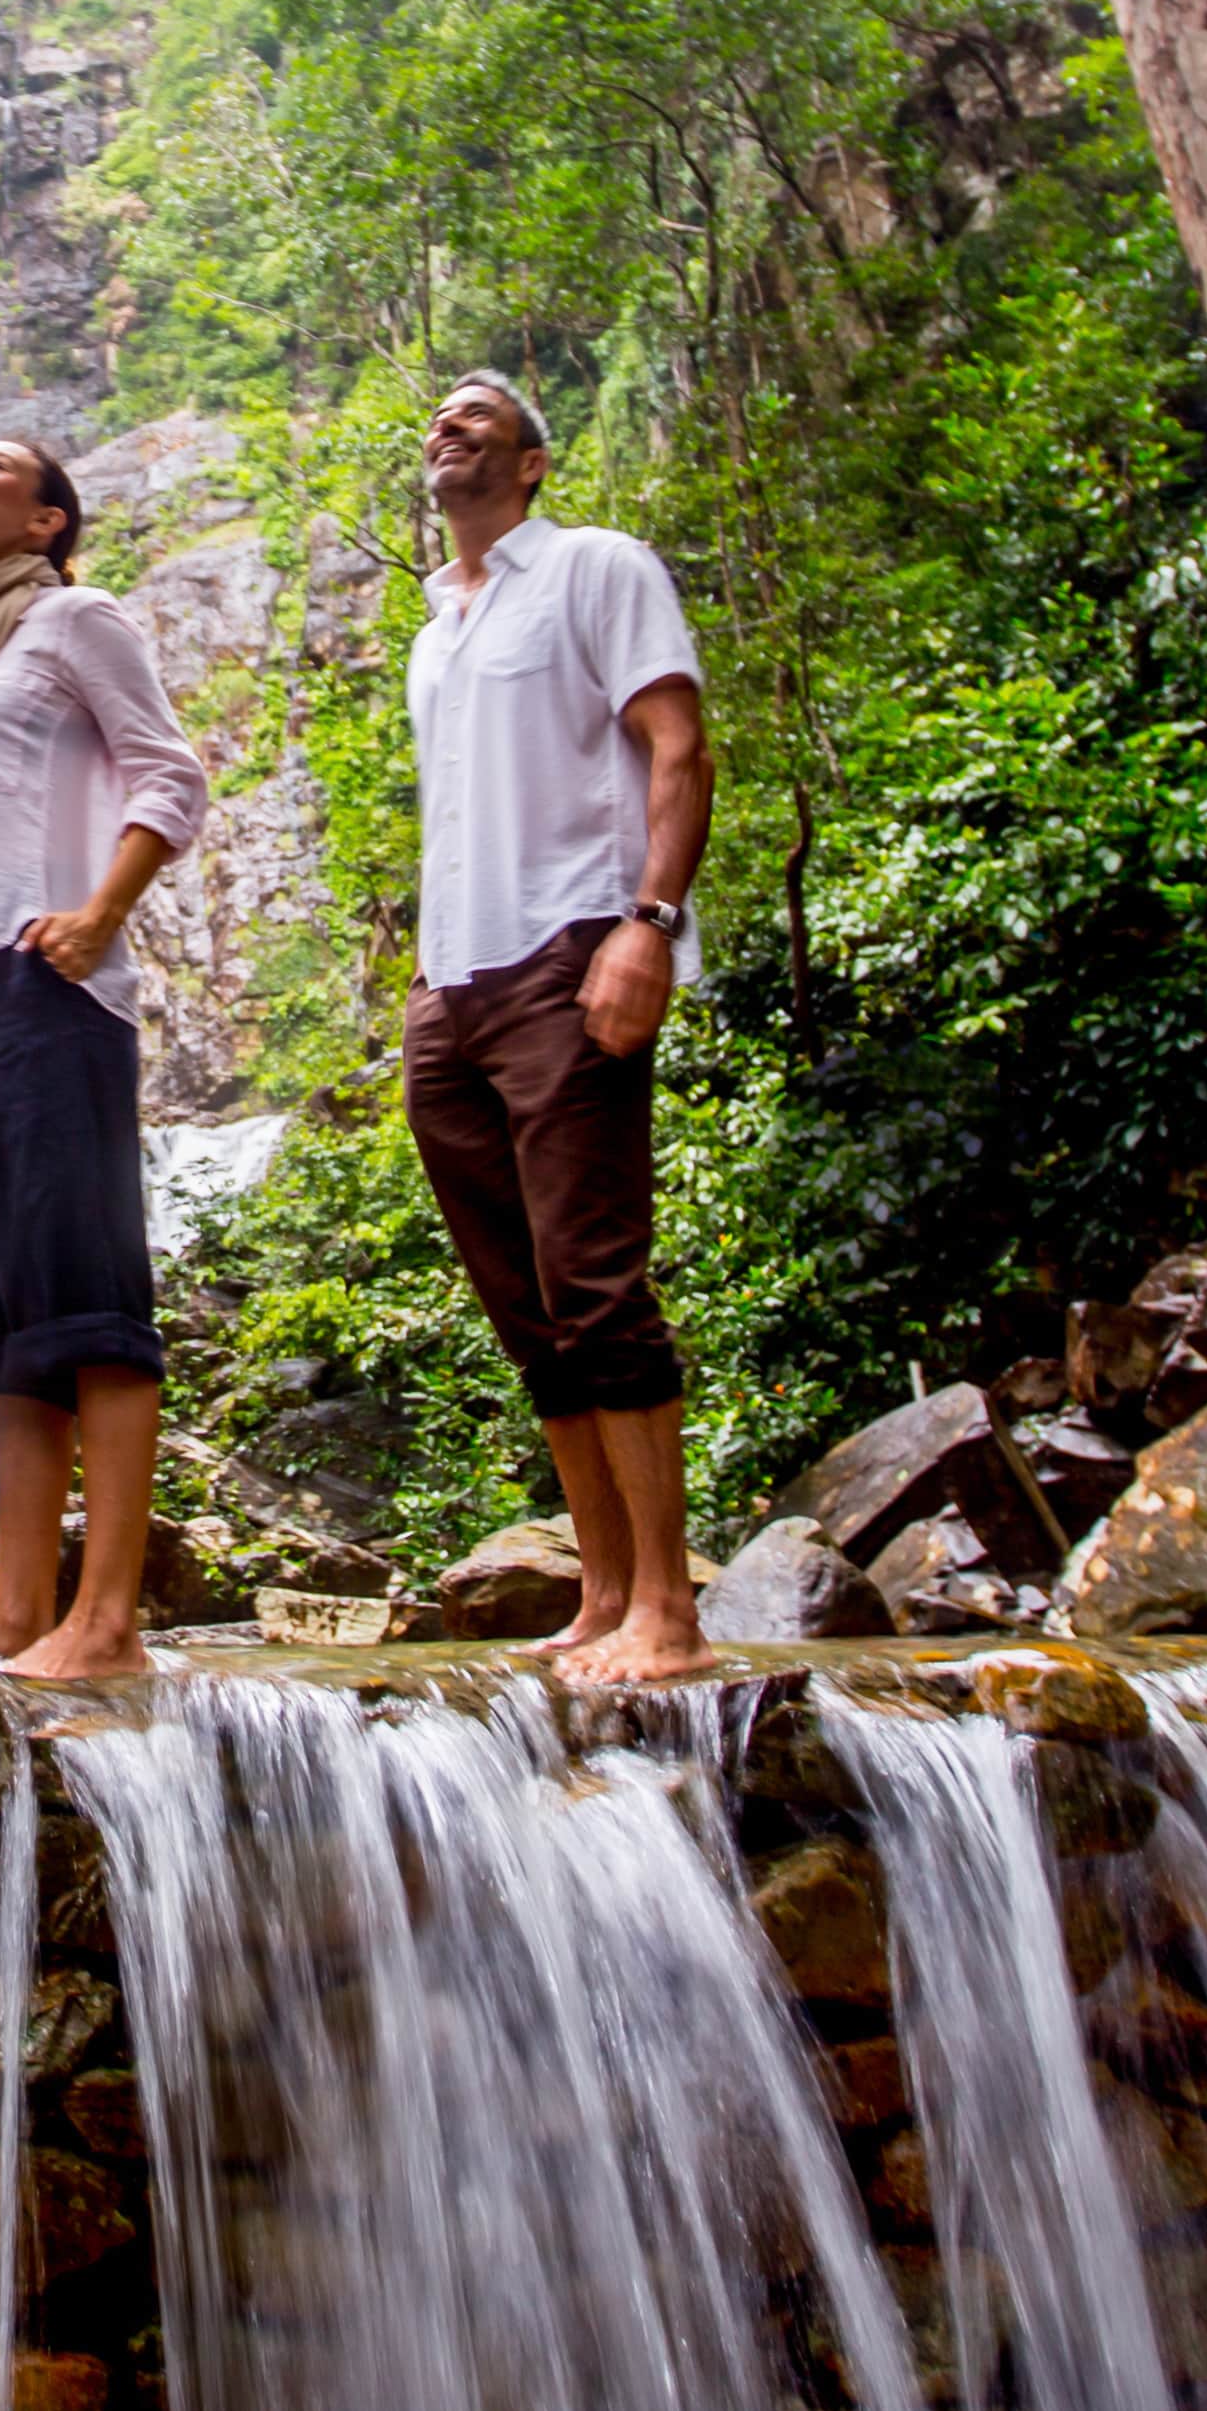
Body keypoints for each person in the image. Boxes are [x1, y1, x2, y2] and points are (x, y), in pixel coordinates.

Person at [400, 369, 716, 1684]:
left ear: (532, 462)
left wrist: (650, 921)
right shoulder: (434, 631)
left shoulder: (595, 568)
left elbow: (679, 745)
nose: (450, 425)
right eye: (441, 416)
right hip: (452, 988)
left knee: (593, 1283)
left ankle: (668, 1608)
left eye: (480, 415)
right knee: (524, 1304)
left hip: (571, 945)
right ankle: (598, 1589)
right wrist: (423, 988)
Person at [0, 437, 210, 1680]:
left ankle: (109, 1615)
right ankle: (21, 1610)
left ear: (46, 522)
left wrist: (99, 912)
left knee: (86, 1300)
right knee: (9, 1320)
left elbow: (169, 774)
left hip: (48, 985)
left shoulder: (77, 618)